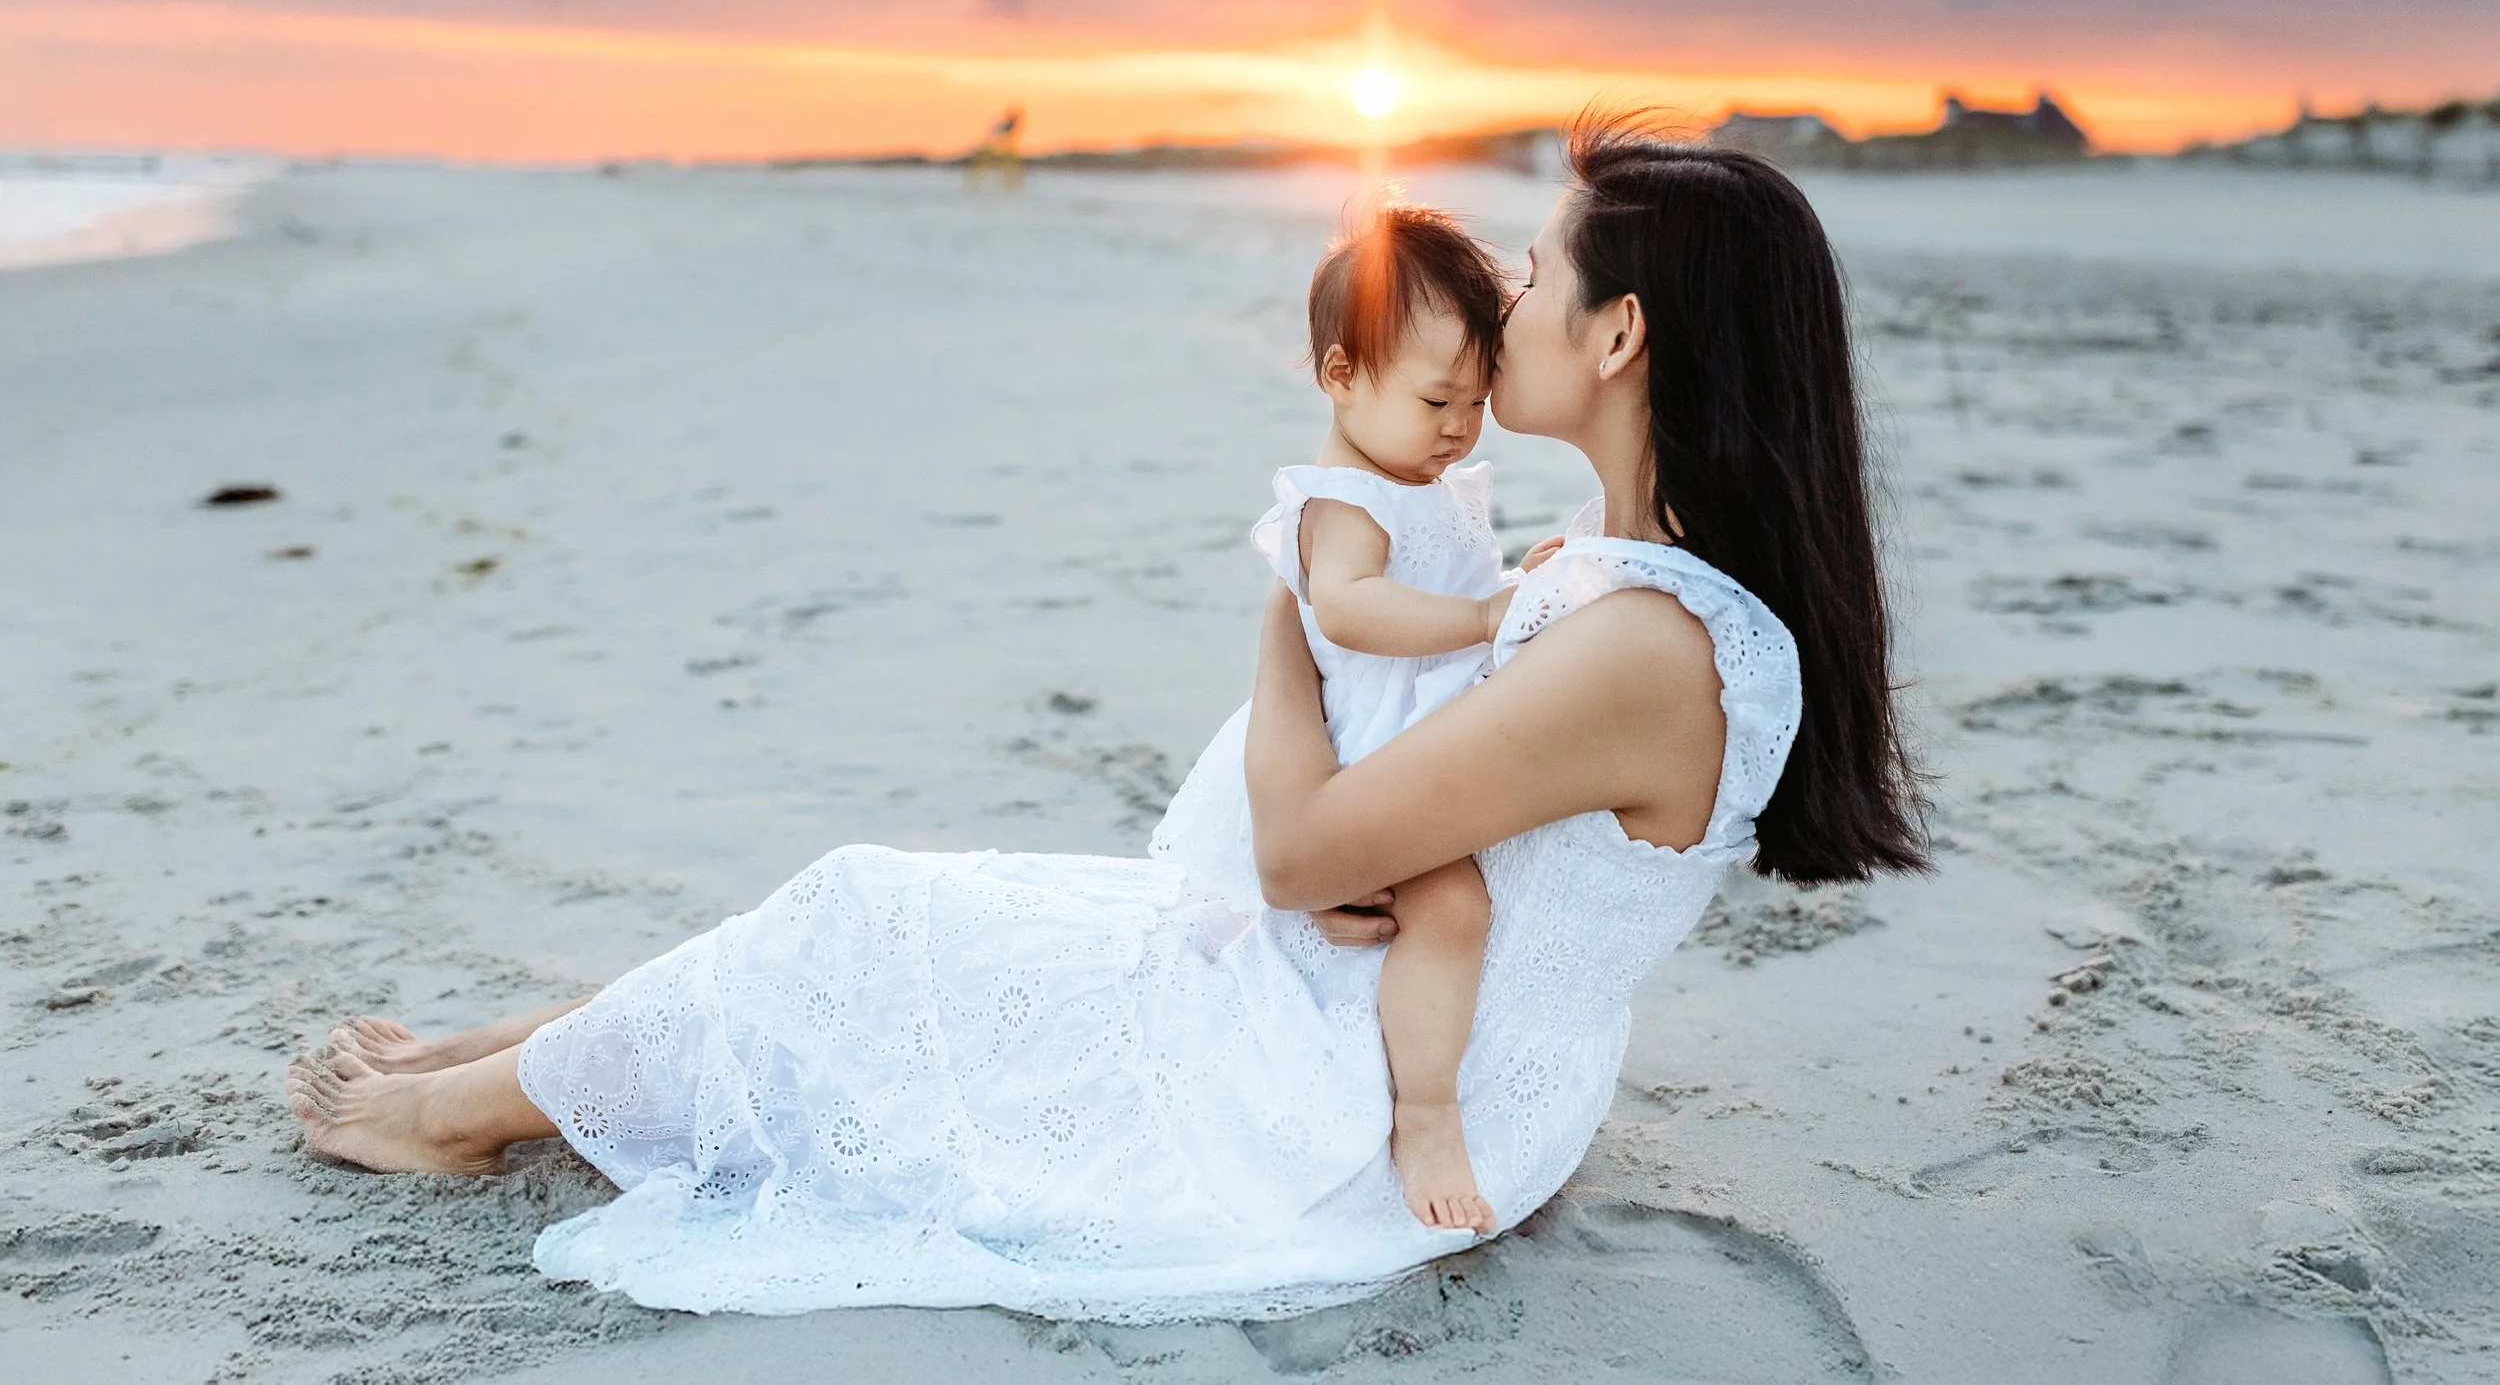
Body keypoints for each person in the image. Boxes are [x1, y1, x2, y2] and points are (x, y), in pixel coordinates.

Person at [287, 112, 1928, 1324]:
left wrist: (1289, 613)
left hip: (1373, 1101)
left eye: (1543, 266)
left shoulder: (1643, 642)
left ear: (1622, 333)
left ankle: (451, 1114)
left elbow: (1297, 851)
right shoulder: (1617, 573)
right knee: (902, 918)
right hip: (1367, 1006)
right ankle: (509, 1062)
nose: (1507, 291)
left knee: (880, 918)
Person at [1157, 199, 1559, 1235]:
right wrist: (1479, 613)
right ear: (1341, 378)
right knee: (1451, 908)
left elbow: (1456, 576)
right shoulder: (1342, 503)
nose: (1460, 427)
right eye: (1435, 398)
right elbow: (1346, 603)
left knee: (1461, 906)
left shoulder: (1417, 479)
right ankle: (1424, 1111)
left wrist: (1514, 582)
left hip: (1422, 721)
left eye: (1475, 401)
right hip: (1373, 749)